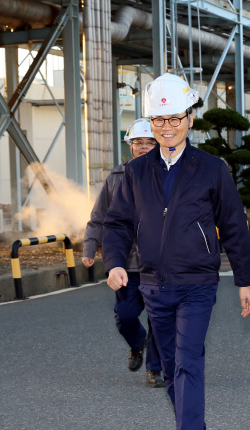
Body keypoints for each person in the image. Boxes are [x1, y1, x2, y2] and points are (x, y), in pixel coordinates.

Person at [102, 73, 250, 430]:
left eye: (174, 119)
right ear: (149, 124)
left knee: (188, 361)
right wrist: (115, 261)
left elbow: (234, 225)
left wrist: (245, 279)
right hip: (153, 283)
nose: (166, 128)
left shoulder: (211, 168)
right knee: (171, 368)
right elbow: (116, 223)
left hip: (198, 283)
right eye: (158, 121)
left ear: (190, 118)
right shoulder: (136, 172)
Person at [82, 119, 164, 388]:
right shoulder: (116, 177)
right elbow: (99, 217)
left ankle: (154, 369)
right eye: (138, 142)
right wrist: (90, 247)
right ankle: (137, 342)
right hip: (126, 264)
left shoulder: (169, 174)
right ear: (130, 146)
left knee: (159, 319)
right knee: (126, 315)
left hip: (160, 263)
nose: (143, 147)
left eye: (149, 142)